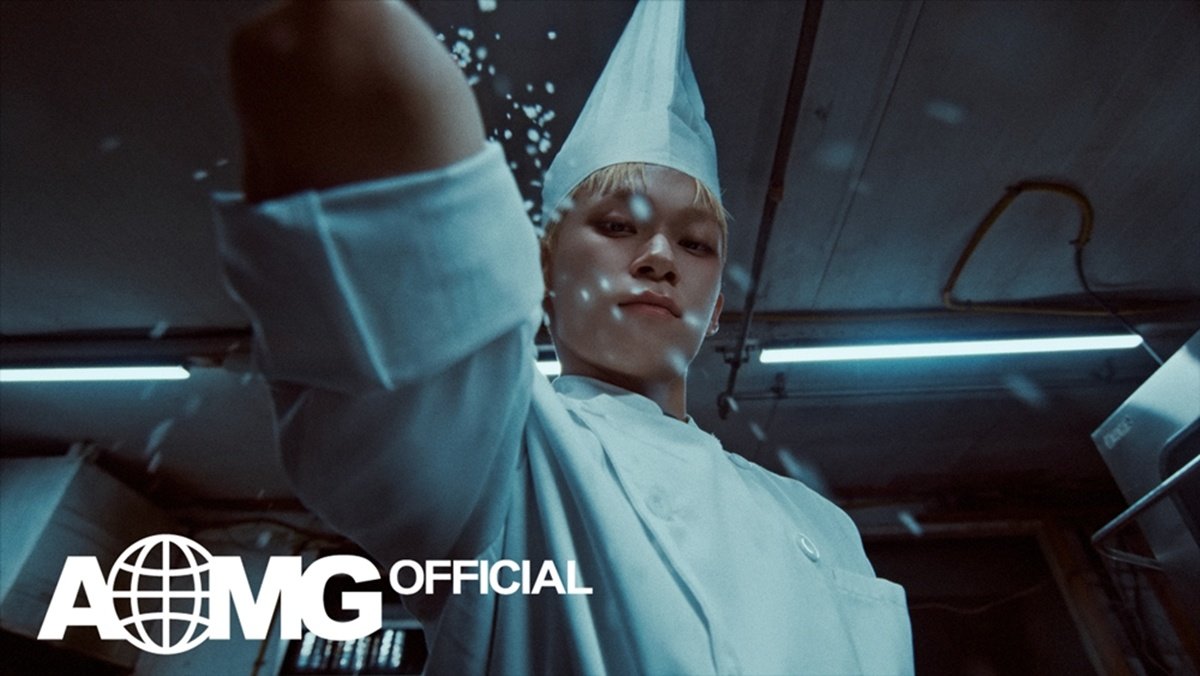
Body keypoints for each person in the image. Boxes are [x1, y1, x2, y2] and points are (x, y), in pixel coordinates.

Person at [215, 0, 914, 673]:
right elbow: (331, 49)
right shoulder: (501, 459)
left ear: (718, 309)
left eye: (695, 243)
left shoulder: (820, 523)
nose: (660, 257)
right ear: (542, 274)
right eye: (618, 225)